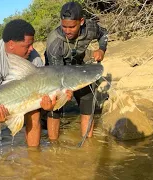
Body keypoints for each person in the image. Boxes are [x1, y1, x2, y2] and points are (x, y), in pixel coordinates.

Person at [0, 19, 60, 151]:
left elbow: (41, 88)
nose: (32, 49)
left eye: (32, 44)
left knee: (34, 115)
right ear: (11, 44)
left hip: (19, 87)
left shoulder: (34, 58)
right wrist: (3, 115)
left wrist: (49, 105)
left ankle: (34, 157)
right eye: (27, 45)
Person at [45, 1, 108, 139]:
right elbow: (58, 76)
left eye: (72, 27)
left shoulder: (91, 27)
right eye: (64, 26)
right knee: (55, 104)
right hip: (55, 68)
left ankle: (88, 143)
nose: (67, 31)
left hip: (79, 64)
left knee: (87, 98)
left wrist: (101, 49)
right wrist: (65, 91)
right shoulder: (54, 41)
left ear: (81, 21)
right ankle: (53, 145)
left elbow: (104, 34)